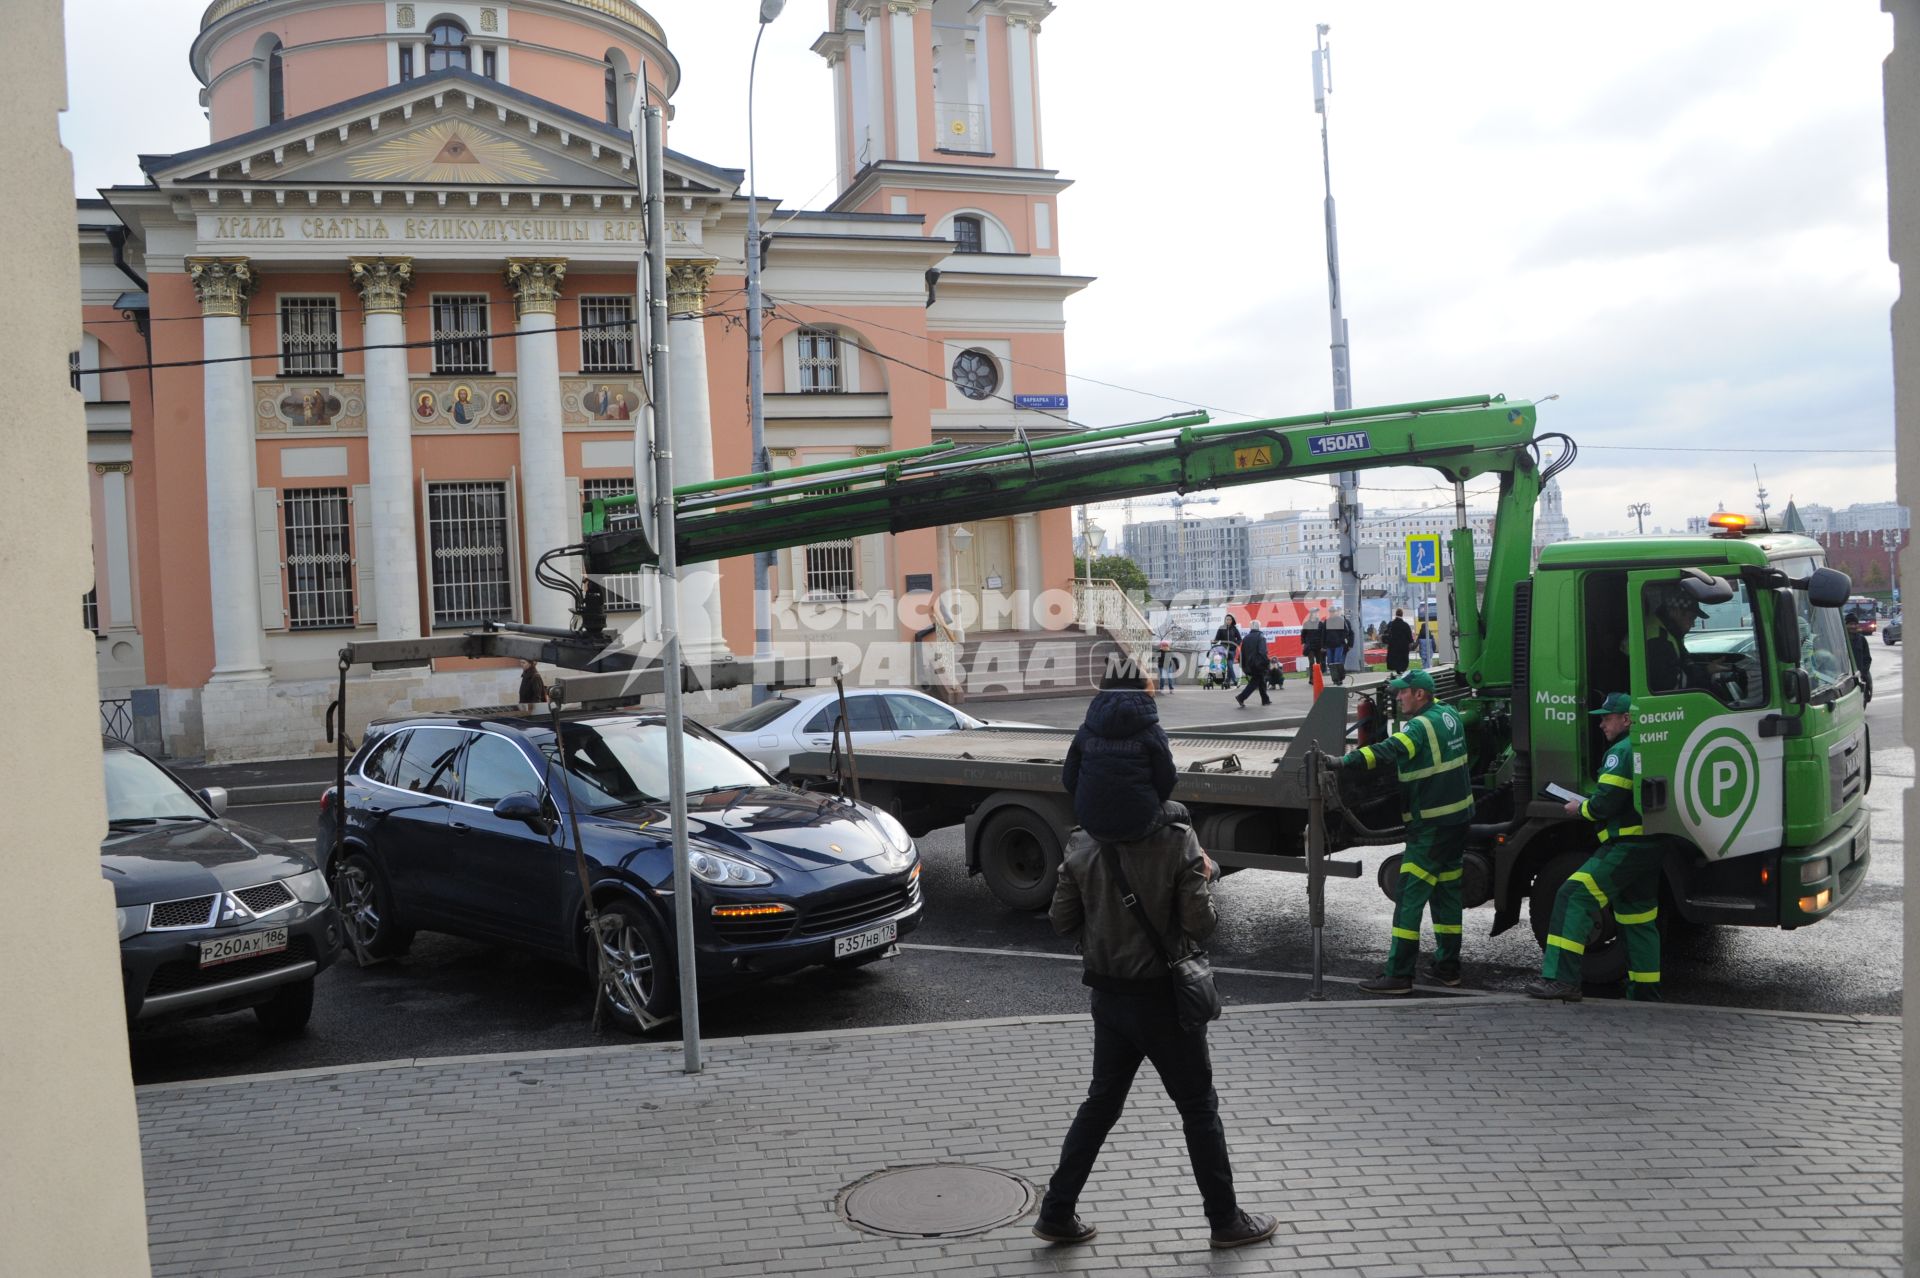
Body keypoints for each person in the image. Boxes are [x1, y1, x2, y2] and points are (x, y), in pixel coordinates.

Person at [1037, 664, 1278, 1251]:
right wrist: (1205, 878)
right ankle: (1225, 1222)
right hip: (1164, 1002)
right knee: (1198, 1109)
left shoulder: (1081, 846)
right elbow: (1203, 926)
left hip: (1110, 998)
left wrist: (1103, 927)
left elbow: (1060, 920)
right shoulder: (1177, 843)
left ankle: (1056, 1213)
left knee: (1100, 1105)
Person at [1328, 668, 1472, 993]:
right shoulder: (1448, 715)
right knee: (1447, 895)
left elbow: (1389, 750)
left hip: (1431, 826)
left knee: (1409, 895)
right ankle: (1448, 968)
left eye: (1402, 692)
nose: (1397, 697)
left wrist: (1343, 762)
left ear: (1420, 694)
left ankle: (1399, 975)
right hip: (1457, 821)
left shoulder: (1419, 726)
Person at [1525, 694, 1662, 1002]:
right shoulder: (1645, 746)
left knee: (1572, 895)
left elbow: (1604, 804)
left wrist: (1580, 808)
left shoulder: (1620, 752)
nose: (1601, 724)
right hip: (1649, 846)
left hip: (1625, 846)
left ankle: (1562, 980)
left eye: (1607, 717)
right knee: (1638, 919)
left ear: (1626, 719)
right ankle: (1645, 992)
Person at [1061, 658, 1177, 843]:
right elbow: (1167, 783)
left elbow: (1069, 780)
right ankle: (1192, 866)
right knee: (1182, 813)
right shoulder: (1152, 732)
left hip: (1091, 821)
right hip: (1140, 822)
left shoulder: (1086, 730)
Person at [1645, 582, 1720, 693]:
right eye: (1691, 618)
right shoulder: (1659, 640)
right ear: (1675, 612)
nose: (1693, 624)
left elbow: (1682, 661)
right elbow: (1671, 685)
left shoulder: (1664, 629)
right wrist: (1707, 671)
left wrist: (1705, 663)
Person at [1234, 620, 1271, 709]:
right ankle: (1241, 697)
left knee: (1261, 680)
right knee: (1255, 681)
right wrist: (1267, 662)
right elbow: (1262, 652)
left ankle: (1265, 700)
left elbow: (1242, 652)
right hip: (1258, 665)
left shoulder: (1246, 637)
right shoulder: (1261, 637)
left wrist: (1242, 664)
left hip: (1248, 665)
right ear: (1259, 627)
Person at [1847, 615, 1873, 701]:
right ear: (1845, 625)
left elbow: (1867, 658)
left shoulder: (1862, 639)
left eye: (1855, 624)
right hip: (1846, 675)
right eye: (1850, 624)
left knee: (1867, 683)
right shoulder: (1842, 639)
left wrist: (1863, 672)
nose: (1853, 626)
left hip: (1860, 673)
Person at [1325, 610, 1355, 685]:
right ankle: (1335, 679)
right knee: (1332, 663)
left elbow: (1351, 634)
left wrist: (1350, 645)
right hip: (1333, 646)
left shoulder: (1346, 622)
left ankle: (1339, 678)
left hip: (1343, 646)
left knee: (1339, 662)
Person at [1383, 608, 1414, 675]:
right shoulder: (1405, 625)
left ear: (1396, 614)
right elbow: (1410, 638)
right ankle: (1401, 673)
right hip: (1403, 648)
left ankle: (1397, 672)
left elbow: (1386, 634)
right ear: (1402, 614)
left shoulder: (1391, 624)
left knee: (1395, 662)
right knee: (1402, 663)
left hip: (1393, 647)